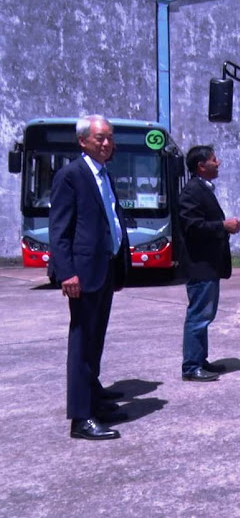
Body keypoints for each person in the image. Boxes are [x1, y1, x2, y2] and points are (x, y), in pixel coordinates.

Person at [49, 115, 131, 441]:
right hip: (82, 273)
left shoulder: (104, 175)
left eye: (110, 137)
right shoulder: (71, 175)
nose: (107, 143)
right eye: (100, 138)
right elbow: (60, 228)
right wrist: (66, 271)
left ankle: (94, 398)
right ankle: (81, 418)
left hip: (105, 267)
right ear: (83, 141)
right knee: (82, 343)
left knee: (95, 342)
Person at [178, 145, 240, 382]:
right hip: (200, 265)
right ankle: (191, 366)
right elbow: (192, 226)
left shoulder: (204, 190)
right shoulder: (192, 192)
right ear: (201, 166)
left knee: (205, 314)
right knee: (199, 315)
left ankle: (200, 359)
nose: (219, 163)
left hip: (209, 264)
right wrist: (222, 226)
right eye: (214, 160)